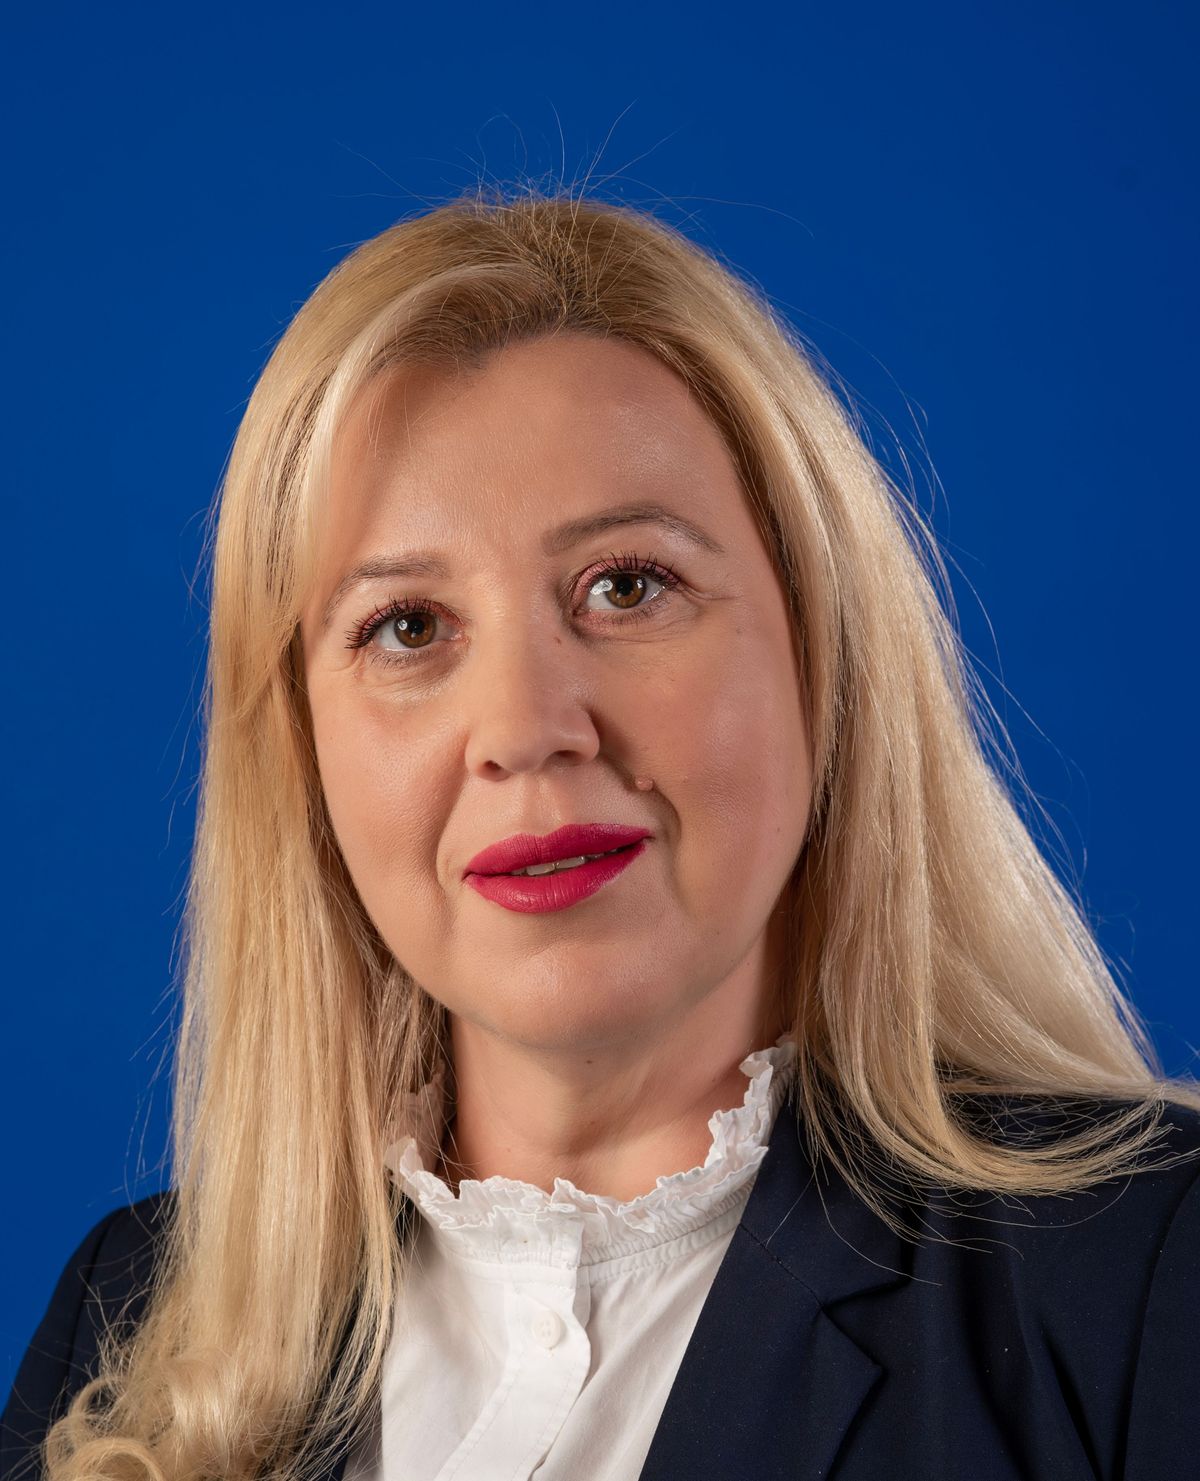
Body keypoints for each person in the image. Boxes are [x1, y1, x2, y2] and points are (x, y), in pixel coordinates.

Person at [3, 184, 1198, 1481]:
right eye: (408, 626)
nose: (524, 728)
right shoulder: (126, 1322)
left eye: (627, 586)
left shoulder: (1146, 1280)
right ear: (301, 746)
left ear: (824, 653)